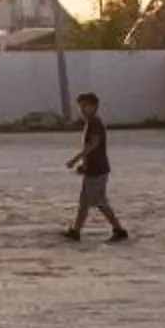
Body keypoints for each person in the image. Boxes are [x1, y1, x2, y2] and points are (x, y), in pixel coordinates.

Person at [63, 91, 128, 243]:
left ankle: (118, 230)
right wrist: (84, 164)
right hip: (94, 168)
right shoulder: (91, 123)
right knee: (90, 201)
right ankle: (77, 231)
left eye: (86, 106)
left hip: (98, 169)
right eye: (81, 106)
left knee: (96, 202)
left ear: (94, 107)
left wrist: (75, 160)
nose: (83, 109)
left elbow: (93, 144)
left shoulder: (95, 123)